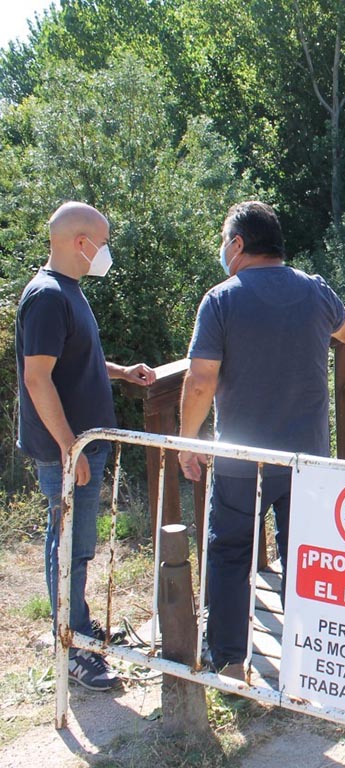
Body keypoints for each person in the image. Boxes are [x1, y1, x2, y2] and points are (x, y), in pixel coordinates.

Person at [177, 201, 345, 678]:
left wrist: (186, 440)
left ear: (237, 245)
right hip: (308, 460)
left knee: (232, 554)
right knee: (307, 554)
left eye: (223, 240)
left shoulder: (221, 299)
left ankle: (232, 664)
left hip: (242, 462)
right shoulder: (313, 291)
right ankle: (310, 659)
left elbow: (199, 381)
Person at [15, 201, 156, 691]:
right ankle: (70, 645)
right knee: (69, 546)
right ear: (81, 243)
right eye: (104, 240)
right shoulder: (48, 296)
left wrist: (120, 372)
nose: (106, 250)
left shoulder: (68, 292)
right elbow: (37, 379)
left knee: (79, 544)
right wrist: (69, 446)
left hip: (80, 446)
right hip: (66, 450)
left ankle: (76, 620)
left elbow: (76, 358)